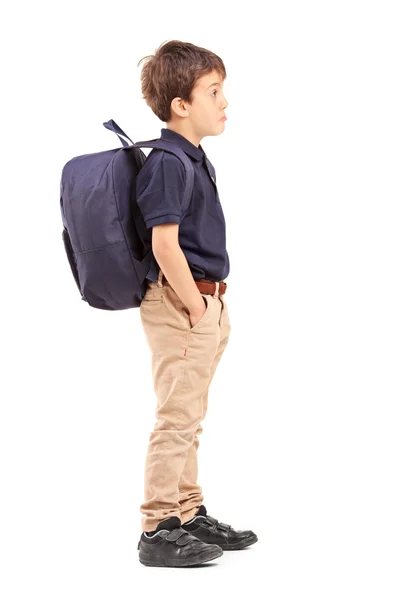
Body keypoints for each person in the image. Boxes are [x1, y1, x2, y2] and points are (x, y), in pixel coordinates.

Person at [135, 40, 258, 567]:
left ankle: (187, 511)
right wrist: (197, 307)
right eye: (214, 92)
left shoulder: (191, 158)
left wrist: (210, 308)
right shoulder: (168, 161)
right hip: (185, 305)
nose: (224, 102)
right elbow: (164, 244)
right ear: (181, 105)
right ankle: (157, 528)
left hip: (204, 303)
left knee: (191, 415)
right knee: (176, 417)